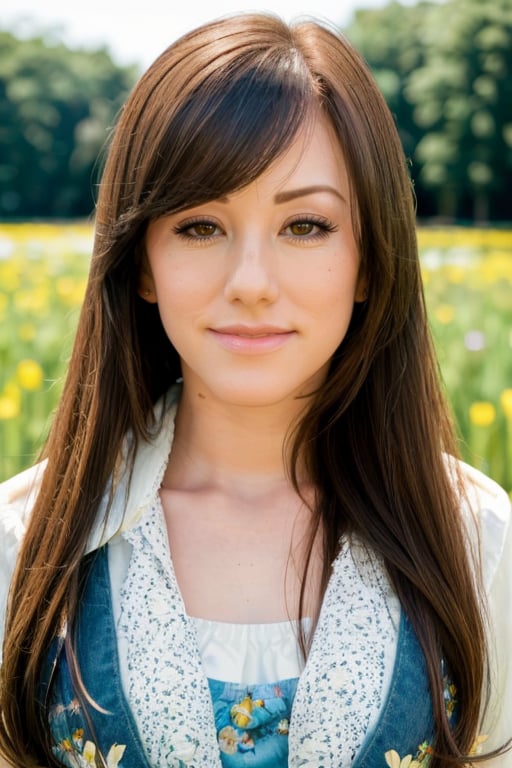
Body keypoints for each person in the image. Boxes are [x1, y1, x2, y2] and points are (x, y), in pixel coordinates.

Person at [0, 12, 510, 768]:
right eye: (200, 226)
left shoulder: (475, 539)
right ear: (141, 262)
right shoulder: (26, 546)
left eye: (305, 225)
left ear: (371, 259)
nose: (251, 286)